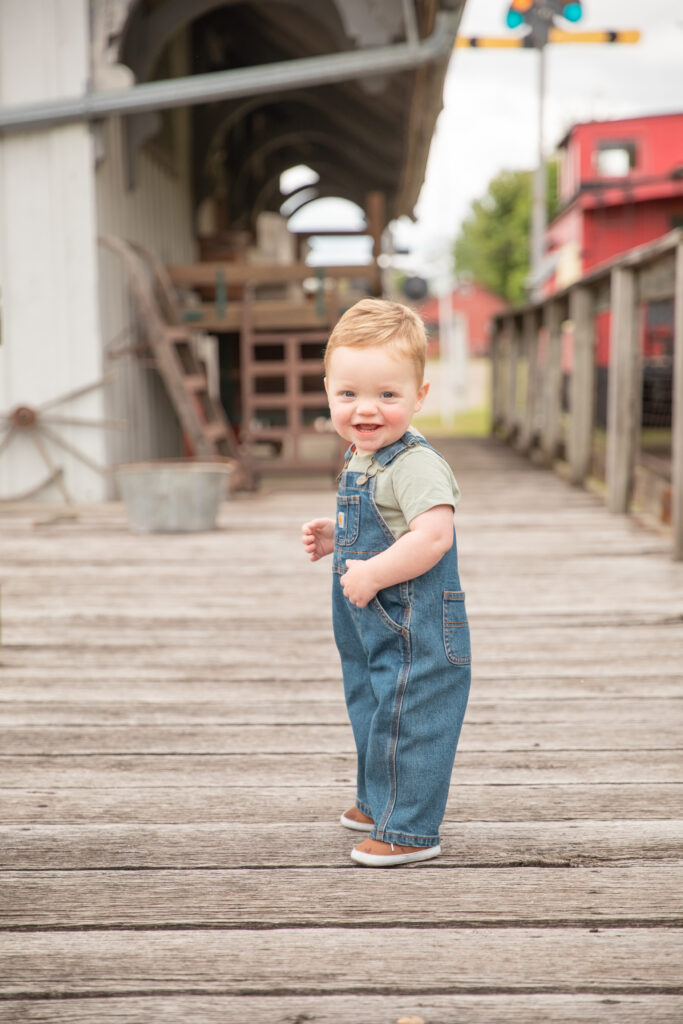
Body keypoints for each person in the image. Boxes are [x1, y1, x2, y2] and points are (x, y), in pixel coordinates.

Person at [301, 298, 471, 867]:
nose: (365, 410)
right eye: (348, 395)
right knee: (372, 700)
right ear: (328, 391)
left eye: (387, 396)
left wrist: (371, 569)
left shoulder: (417, 464)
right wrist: (337, 536)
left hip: (414, 617)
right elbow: (383, 521)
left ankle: (411, 829)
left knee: (410, 709)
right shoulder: (363, 455)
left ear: (419, 396)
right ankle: (379, 800)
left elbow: (431, 538)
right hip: (370, 614)